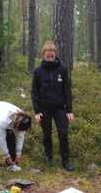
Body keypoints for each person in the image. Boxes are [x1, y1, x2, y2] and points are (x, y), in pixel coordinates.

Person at [31, 41, 75, 171]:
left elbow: (67, 90)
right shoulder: (38, 71)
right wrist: (37, 111)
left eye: (52, 56)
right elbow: (34, 92)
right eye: (48, 56)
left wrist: (69, 110)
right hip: (44, 109)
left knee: (63, 133)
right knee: (47, 134)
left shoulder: (62, 69)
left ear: (55, 54)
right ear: (43, 55)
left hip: (60, 108)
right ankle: (48, 158)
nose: (50, 58)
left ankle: (65, 161)